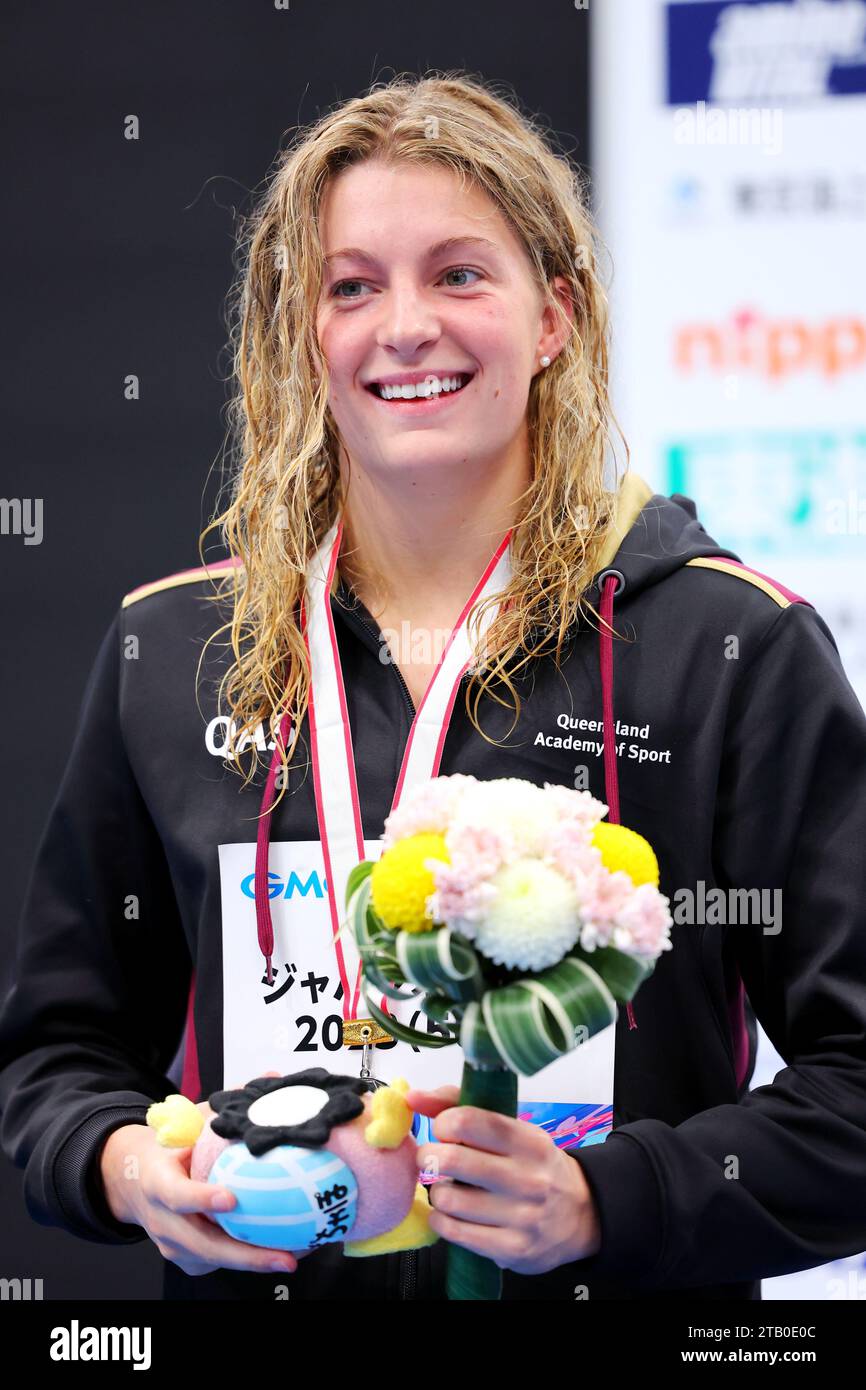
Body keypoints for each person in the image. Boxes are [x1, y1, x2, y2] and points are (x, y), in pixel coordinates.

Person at [2, 72, 866, 1304]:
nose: (402, 326)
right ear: (304, 333)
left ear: (553, 316)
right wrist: (121, 1163)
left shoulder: (726, 646)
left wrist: (606, 1200)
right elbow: (56, 1052)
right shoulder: (171, 646)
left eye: (459, 274)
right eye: (350, 287)